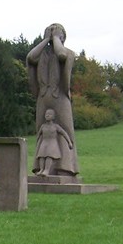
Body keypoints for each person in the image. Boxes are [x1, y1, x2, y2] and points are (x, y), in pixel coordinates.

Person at [26, 23, 79, 176]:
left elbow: (61, 55)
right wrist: (45, 40)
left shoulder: (68, 52)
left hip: (60, 97)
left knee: (66, 131)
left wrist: (56, 38)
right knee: (42, 134)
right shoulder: (41, 55)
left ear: (63, 38)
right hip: (43, 97)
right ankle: (42, 168)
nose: (52, 36)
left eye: (57, 34)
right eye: (50, 33)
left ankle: (66, 168)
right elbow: (30, 57)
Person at [33, 109, 74, 176]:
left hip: (52, 143)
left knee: (49, 156)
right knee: (41, 156)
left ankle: (47, 170)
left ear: (53, 117)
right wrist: (37, 144)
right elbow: (39, 135)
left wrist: (69, 142)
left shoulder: (56, 126)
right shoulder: (43, 126)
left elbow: (64, 133)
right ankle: (41, 169)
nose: (47, 115)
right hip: (44, 143)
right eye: (46, 114)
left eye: (49, 114)